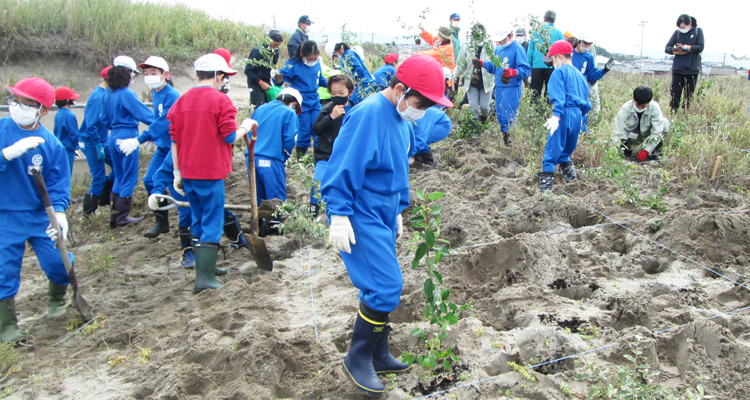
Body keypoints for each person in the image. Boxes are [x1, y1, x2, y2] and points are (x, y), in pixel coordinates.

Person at [321, 55, 453, 396]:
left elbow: (394, 168)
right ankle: (358, 357)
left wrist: (396, 209)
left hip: (381, 212)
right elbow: (343, 166)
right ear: (399, 89)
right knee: (386, 286)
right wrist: (337, 214)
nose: (421, 112)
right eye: (419, 103)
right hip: (358, 213)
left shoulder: (401, 119)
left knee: (378, 285)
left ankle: (378, 354)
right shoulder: (368, 115)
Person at [167, 53, 254, 291]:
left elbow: (174, 141)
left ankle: (207, 266)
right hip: (210, 171)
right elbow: (228, 137)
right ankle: (204, 279)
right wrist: (244, 127)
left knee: (198, 217)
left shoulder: (180, 102)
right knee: (213, 220)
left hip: (187, 172)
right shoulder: (220, 101)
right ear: (219, 76)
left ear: (197, 75)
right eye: (224, 77)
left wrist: (176, 173)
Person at [1, 78, 73, 343]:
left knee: (58, 261)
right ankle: (7, 325)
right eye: (14, 100)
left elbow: (57, 184)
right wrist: (5, 155)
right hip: (5, 213)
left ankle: (57, 298)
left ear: (42, 110)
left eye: (26, 103)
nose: (17, 106)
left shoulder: (51, 144)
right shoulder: (1, 131)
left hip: (39, 214)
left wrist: (60, 213)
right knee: (4, 268)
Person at [116, 56, 179, 239]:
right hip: (163, 147)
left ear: (165, 75)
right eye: (146, 74)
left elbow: (164, 122)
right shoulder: (155, 92)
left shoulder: (171, 95)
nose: (149, 77)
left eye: (154, 73)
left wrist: (140, 139)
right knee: (149, 180)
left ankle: (187, 223)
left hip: (174, 148)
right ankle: (161, 221)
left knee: (174, 186)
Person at [101, 56, 155, 228]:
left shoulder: (108, 93)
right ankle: (123, 216)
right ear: (128, 73)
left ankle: (115, 217)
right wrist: (161, 125)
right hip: (127, 135)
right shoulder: (126, 94)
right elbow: (145, 115)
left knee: (118, 175)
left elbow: (103, 118)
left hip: (113, 136)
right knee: (129, 177)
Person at [538, 40, 591, 192]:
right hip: (578, 115)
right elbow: (586, 101)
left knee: (552, 151)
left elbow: (558, 97)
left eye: (553, 59)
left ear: (559, 57)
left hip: (563, 113)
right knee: (566, 151)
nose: (553, 63)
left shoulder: (558, 73)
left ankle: (545, 191)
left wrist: (556, 116)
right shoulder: (580, 76)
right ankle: (573, 183)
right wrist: (580, 116)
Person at [473, 28, 531, 146]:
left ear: (510, 35)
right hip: (499, 86)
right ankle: (506, 140)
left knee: (508, 115)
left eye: (503, 39)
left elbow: (525, 70)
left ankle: (511, 141)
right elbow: (495, 67)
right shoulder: (498, 49)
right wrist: (483, 64)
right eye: (499, 40)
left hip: (511, 86)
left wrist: (515, 72)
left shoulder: (518, 49)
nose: (501, 42)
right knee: (500, 114)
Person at [248, 87, 300, 206]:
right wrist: (285, 156)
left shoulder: (261, 108)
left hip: (251, 157)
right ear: (293, 104)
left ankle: (258, 223)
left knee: (256, 198)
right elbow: (289, 138)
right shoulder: (289, 112)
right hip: (271, 159)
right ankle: (273, 224)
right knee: (276, 200)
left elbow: (250, 129)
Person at [310, 75, 354, 216]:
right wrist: (331, 117)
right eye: (333, 93)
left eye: (341, 93)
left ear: (350, 92)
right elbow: (316, 129)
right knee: (317, 184)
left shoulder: (355, 110)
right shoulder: (328, 109)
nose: (337, 97)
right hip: (326, 156)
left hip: (347, 158)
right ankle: (312, 214)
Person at [280, 40, 327, 157]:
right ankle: (301, 156)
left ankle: (319, 156)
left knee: (319, 127)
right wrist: (277, 78)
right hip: (301, 101)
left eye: (314, 59)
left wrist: (332, 85)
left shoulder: (317, 65)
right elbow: (281, 77)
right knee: (304, 130)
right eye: (310, 59)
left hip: (315, 100)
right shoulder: (293, 65)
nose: (312, 62)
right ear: (302, 55)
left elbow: (320, 79)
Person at [79, 67, 115, 216]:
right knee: (98, 176)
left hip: (101, 140)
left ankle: (104, 197)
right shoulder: (98, 97)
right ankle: (88, 213)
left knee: (118, 166)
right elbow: (90, 125)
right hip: (92, 141)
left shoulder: (105, 94)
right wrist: (98, 145)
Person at [613, 86, 670, 162]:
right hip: (632, 136)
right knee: (621, 131)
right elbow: (617, 130)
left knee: (665, 122)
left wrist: (646, 151)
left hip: (647, 136)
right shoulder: (626, 108)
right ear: (634, 99)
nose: (640, 108)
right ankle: (627, 149)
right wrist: (614, 151)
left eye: (643, 106)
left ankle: (653, 150)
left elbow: (657, 132)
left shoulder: (654, 108)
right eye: (637, 105)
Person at [571, 33, 614, 133]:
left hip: (582, 92)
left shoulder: (588, 57)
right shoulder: (569, 54)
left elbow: (592, 76)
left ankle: (582, 135)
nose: (587, 46)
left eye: (590, 44)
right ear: (579, 41)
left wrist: (604, 70)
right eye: (586, 43)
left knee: (582, 117)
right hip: (570, 91)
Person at [455, 23, 494, 122]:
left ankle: (484, 120)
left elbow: (495, 64)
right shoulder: (467, 47)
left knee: (485, 107)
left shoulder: (491, 46)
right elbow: (461, 64)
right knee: (473, 107)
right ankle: (476, 129)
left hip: (487, 81)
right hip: (471, 81)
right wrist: (454, 75)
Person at [665, 14, 704, 112]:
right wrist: (675, 51)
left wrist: (687, 47)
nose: (682, 29)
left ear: (689, 24)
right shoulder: (677, 33)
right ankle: (673, 111)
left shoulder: (698, 31)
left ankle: (686, 113)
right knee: (675, 93)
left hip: (692, 69)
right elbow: (667, 47)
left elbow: (700, 47)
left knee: (689, 95)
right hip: (678, 68)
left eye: (683, 27)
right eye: (680, 27)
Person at [527, 10, 565, 101]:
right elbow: (563, 52)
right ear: (554, 20)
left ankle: (534, 113)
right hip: (552, 67)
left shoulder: (536, 32)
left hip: (537, 67)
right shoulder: (558, 33)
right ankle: (547, 113)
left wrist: (528, 69)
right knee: (549, 94)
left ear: (544, 19)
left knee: (534, 94)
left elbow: (530, 53)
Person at [246, 29, 284, 108]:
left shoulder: (275, 51)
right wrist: (260, 82)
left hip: (266, 80)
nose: (277, 47)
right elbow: (248, 70)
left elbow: (272, 67)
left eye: (279, 45)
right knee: (260, 105)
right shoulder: (257, 51)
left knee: (272, 104)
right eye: (276, 44)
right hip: (255, 81)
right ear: (269, 41)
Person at [52, 86, 81, 173]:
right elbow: (74, 134)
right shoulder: (69, 115)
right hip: (68, 150)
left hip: (60, 148)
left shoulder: (59, 113)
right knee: (67, 175)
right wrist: (78, 147)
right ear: (68, 101)